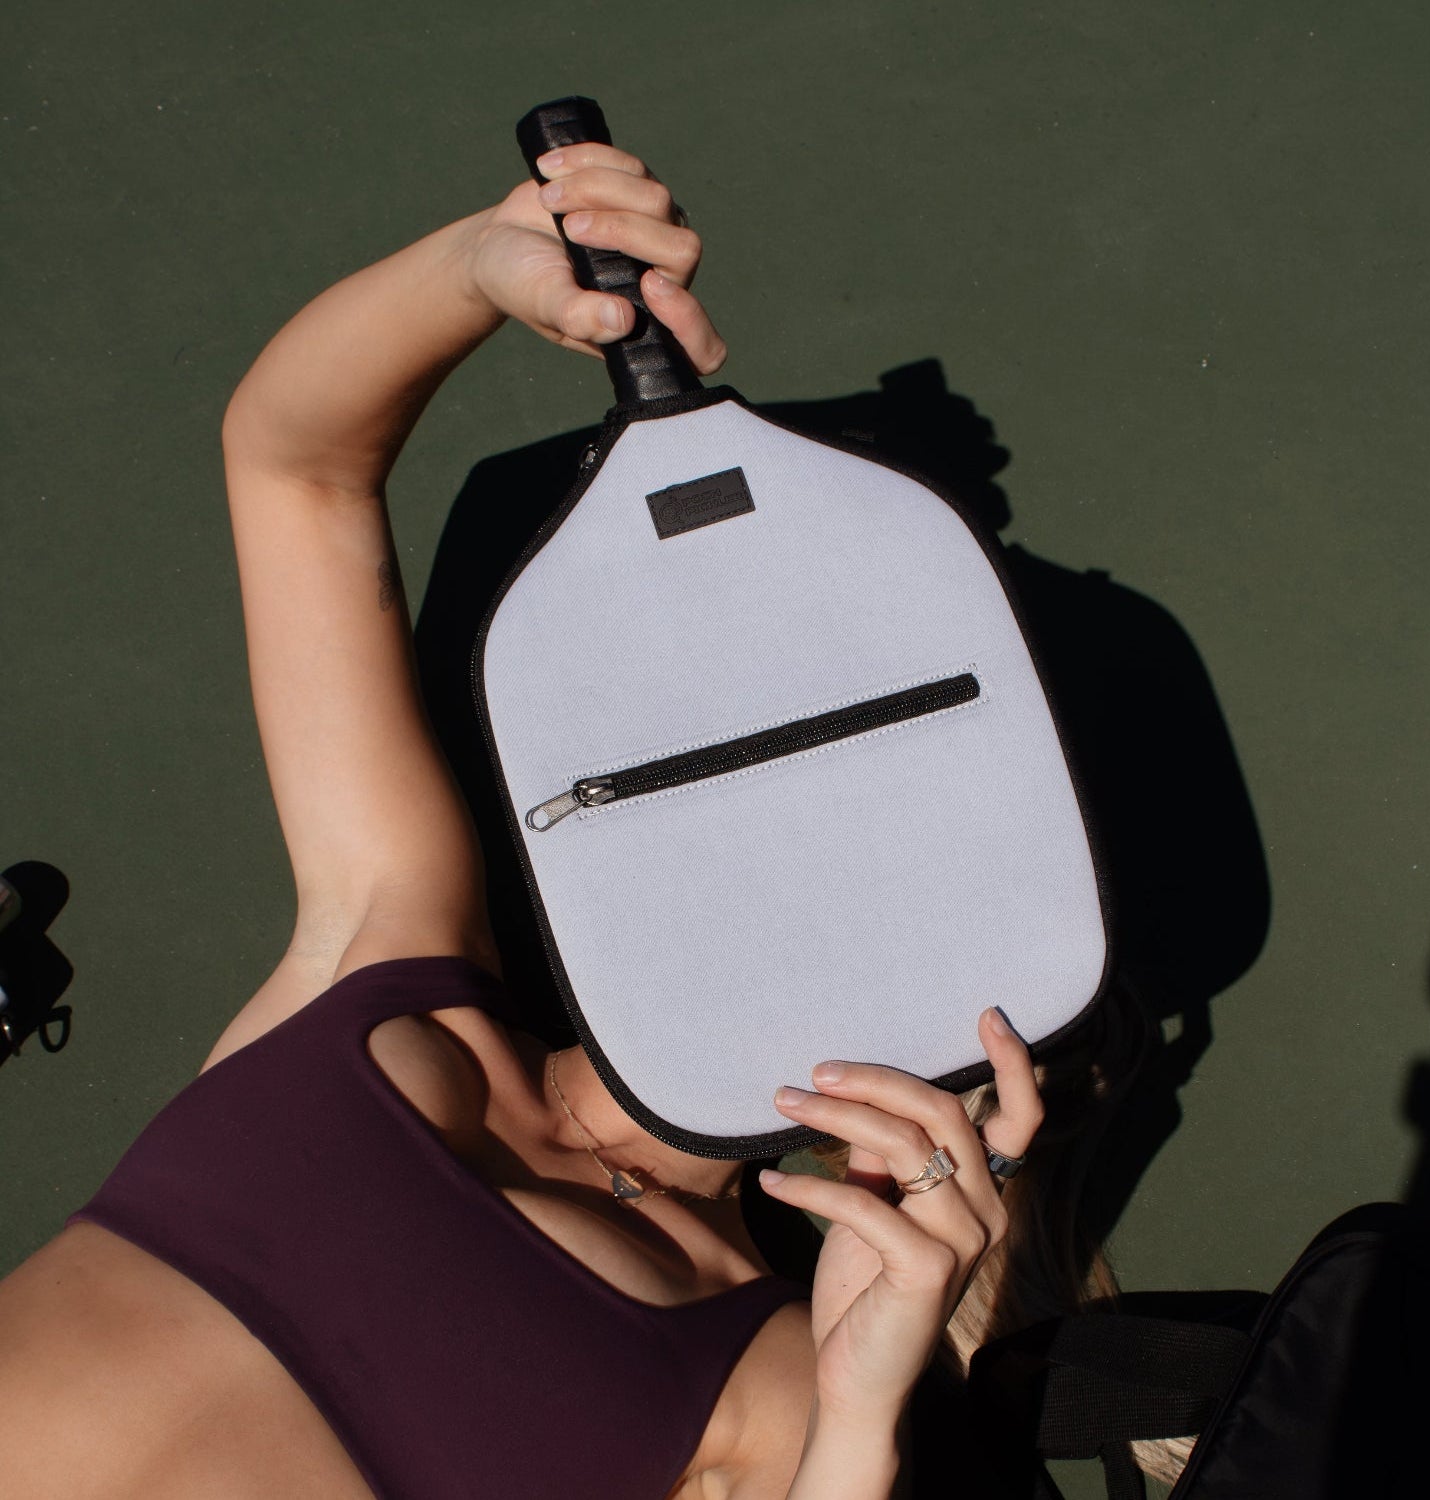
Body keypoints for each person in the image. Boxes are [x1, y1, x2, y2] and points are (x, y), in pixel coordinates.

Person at [0, 139, 1060, 1500]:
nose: (768, 855)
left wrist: (863, 1416)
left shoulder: (772, 1376)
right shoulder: (395, 953)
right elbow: (295, 466)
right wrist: (476, 269)